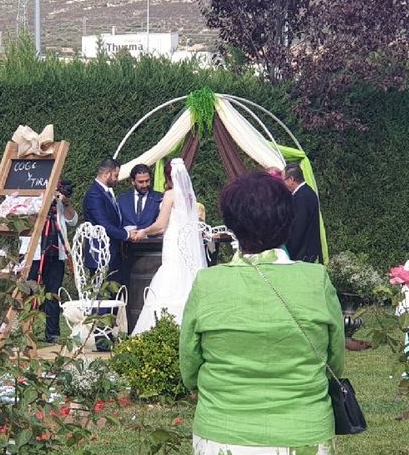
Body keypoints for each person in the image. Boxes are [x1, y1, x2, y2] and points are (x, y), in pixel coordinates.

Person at [180, 172, 345, 455]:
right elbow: (335, 361)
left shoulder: (207, 283)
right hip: (304, 430)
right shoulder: (316, 280)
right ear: (287, 220)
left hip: (223, 430)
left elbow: (190, 369)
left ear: (232, 224)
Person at [130, 158, 207, 335]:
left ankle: (163, 329)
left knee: (170, 278)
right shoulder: (189, 196)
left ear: (168, 177)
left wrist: (143, 231)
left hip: (173, 242)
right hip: (187, 244)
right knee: (185, 279)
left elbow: (161, 225)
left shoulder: (171, 195)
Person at [20, 182, 77, 344]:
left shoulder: (59, 199)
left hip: (56, 250)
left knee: (53, 293)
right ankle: (26, 330)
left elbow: (72, 221)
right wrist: (43, 201)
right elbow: (26, 217)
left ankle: (53, 333)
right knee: (30, 292)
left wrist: (65, 202)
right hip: (34, 251)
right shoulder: (29, 193)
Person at [83, 157, 134, 283]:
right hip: (100, 254)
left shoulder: (105, 192)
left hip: (112, 252)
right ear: (106, 174)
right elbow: (103, 224)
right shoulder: (94, 194)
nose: (117, 179)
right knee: (102, 295)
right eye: (115, 175)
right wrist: (127, 234)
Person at [284, 163, 323, 263]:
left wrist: (288, 253)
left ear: (291, 179)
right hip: (307, 250)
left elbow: (298, 227)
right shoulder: (307, 192)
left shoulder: (302, 197)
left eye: (284, 180)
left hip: (303, 253)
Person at [116, 164, 163, 230]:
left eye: (147, 181)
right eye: (141, 182)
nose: (145, 185)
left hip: (152, 239)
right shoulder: (122, 199)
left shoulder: (159, 198)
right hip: (127, 240)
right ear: (133, 181)